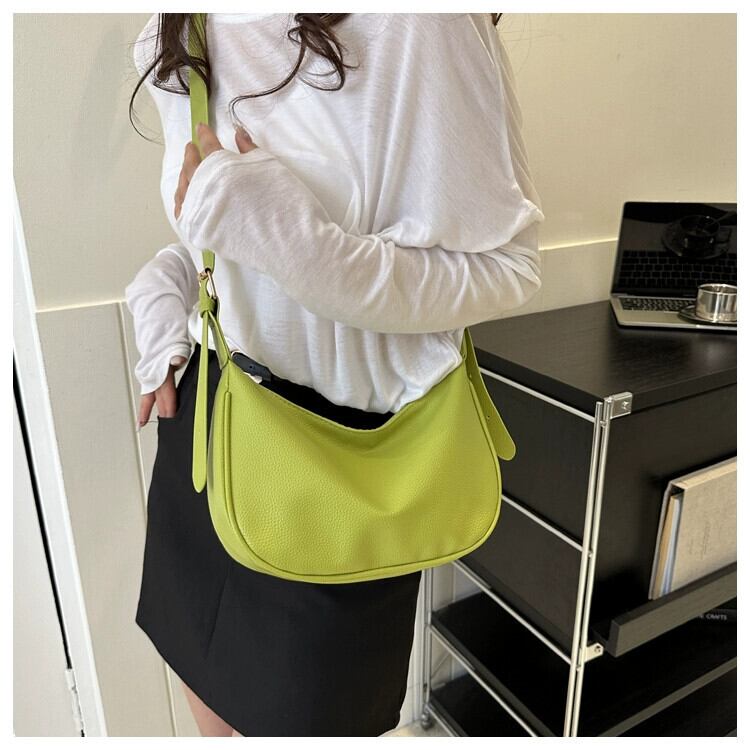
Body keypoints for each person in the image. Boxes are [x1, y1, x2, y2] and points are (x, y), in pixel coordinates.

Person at [125, 12, 544, 737]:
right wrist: (164, 294)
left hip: (344, 478)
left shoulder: (418, 24)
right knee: (205, 695)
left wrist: (295, 243)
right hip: (210, 428)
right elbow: (218, 225)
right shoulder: (175, 27)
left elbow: (506, 268)